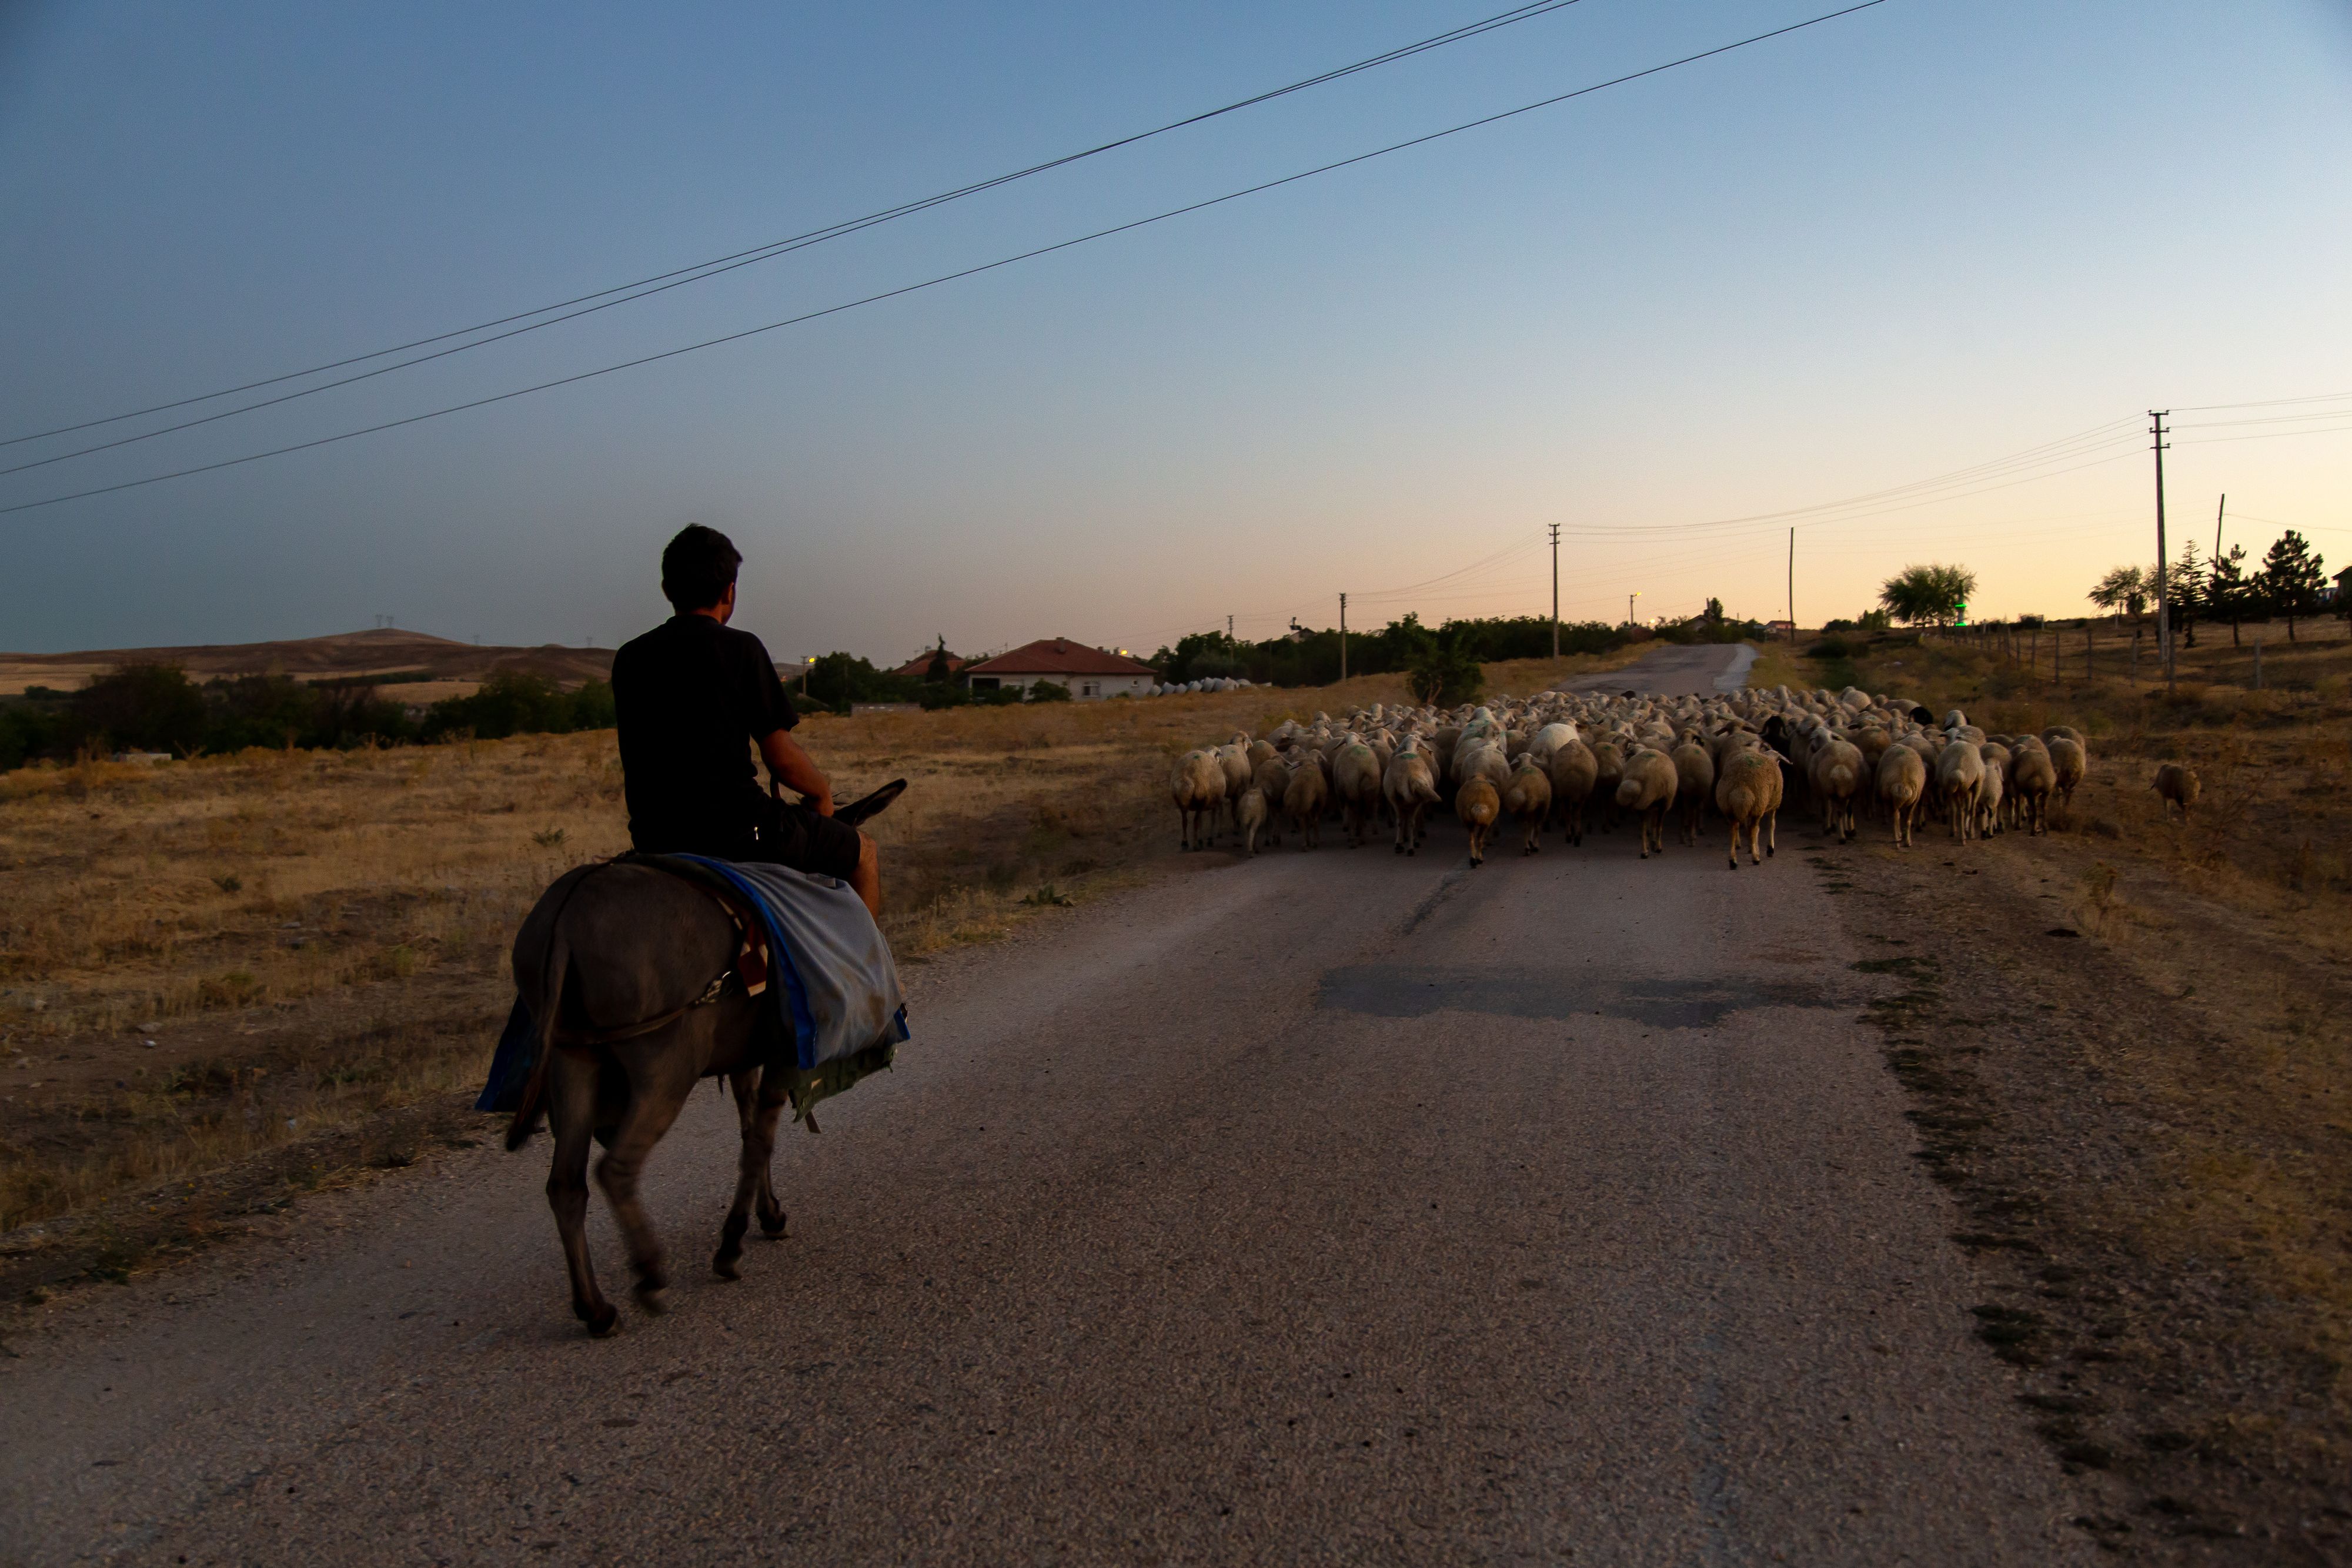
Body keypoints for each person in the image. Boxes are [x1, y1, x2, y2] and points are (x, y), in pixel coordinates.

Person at [610, 524, 882, 917]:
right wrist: (821, 792)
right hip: (738, 833)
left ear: (667, 589)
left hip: (655, 837)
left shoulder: (629, 658)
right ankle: (867, 974)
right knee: (864, 854)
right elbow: (781, 757)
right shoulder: (741, 649)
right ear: (729, 592)